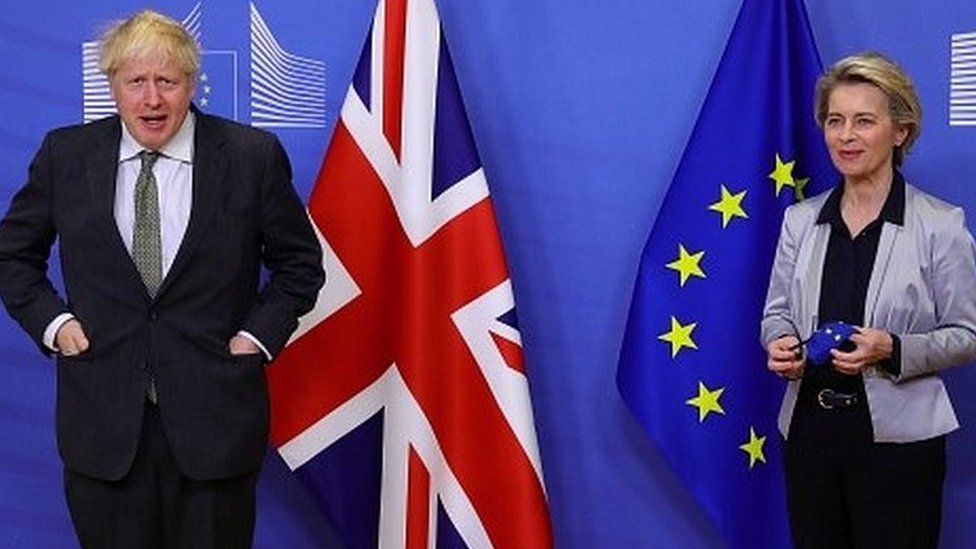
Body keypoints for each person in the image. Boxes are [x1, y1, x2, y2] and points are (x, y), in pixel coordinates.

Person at [0, 10, 324, 548]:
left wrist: (255, 338)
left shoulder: (252, 157)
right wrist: (55, 325)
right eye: (136, 82)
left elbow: (301, 265)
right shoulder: (65, 155)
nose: (152, 99)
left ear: (191, 84)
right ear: (113, 85)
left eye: (167, 81)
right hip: (103, 428)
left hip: (216, 424)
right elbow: (12, 256)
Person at [762, 52, 976, 548]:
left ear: (900, 131)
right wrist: (780, 342)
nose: (846, 136)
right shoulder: (800, 220)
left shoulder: (941, 225)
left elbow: (968, 334)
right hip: (809, 434)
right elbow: (776, 313)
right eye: (834, 121)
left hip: (901, 447)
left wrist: (893, 348)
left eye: (864, 121)